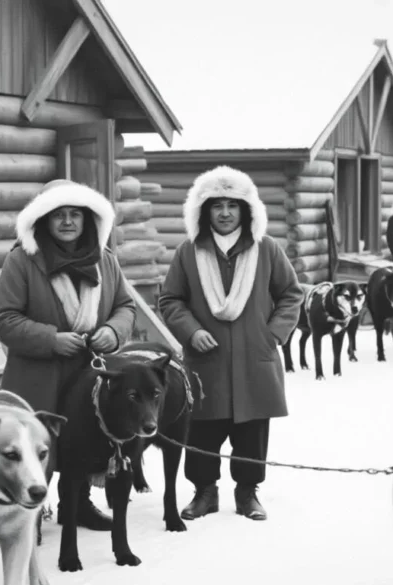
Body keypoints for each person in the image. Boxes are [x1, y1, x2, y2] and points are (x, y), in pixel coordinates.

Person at [0, 179, 136, 533]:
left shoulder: (105, 261)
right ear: (43, 219)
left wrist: (113, 331)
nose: (68, 222)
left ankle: (78, 504)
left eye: (75, 215)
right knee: (36, 444)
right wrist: (51, 339)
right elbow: (4, 319)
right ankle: (29, 513)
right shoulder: (22, 260)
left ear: (88, 220)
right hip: (38, 375)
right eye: (59, 215)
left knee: (83, 438)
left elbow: (125, 306)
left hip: (87, 372)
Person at [158, 166, 303, 522]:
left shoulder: (266, 249)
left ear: (247, 210)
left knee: (251, 433)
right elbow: (170, 300)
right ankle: (204, 493)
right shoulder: (188, 252)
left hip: (256, 359)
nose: (224, 213)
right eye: (216, 205)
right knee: (202, 431)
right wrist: (191, 331)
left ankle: (247, 493)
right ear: (203, 211)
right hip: (206, 362)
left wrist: (271, 335)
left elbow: (291, 295)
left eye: (232, 205)